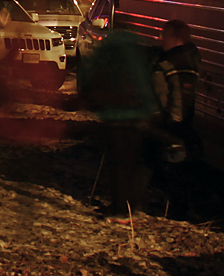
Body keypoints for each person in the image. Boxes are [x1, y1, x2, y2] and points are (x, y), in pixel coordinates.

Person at [78, 27, 156, 222]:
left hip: (113, 114)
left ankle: (120, 209)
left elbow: (89, 76)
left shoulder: (106, 52)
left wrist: (90, 101)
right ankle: (130, 205)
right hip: (136, 113)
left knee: (116, 164)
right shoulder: (137, 52)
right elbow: (145, 81)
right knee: (131, 163)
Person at [148, 19, 202, 216]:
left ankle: (178, 210)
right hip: (173, 119)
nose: (161, 39)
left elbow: (181, 96)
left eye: (165, 35)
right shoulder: (178, 56)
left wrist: (174, 122)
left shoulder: (180, 63)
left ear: (176, 38)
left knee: (176, 167)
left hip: (174, 121)